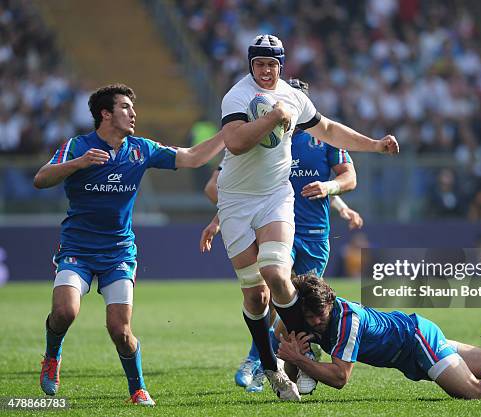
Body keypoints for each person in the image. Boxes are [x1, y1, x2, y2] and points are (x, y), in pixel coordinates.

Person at [215, 34, 398, 401]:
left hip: (275, 199)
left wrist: (374, 145)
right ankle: (269, 366)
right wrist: (273, 119)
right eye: (260, 64)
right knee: (255, 297)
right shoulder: (236, 97)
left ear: (281, 66)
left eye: (272, 65)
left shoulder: (294, 98)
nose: (266, 71)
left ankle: (300, 353)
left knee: (277, 275)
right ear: (251, 65)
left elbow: (330, 129)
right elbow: (234, 143)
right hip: (236, 201)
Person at [34, 83, 225, 406]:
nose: (133, 113)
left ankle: (137, 389)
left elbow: (192, 158)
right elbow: (41, 179)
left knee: (120, 330)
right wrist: (78, 164)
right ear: (105, 114)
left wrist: (229, 133)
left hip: (119, 252)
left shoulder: (141, 148)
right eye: (125, 107)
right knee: (65, 312)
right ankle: (52, 357)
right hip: (77, 249)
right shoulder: (78, 146)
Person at [201, 78, 363, 394]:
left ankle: (300, 364)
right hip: (278, 229)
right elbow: (245, 190)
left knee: (302, 306)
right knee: (275, 286)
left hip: (316, 235)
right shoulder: (265, 139)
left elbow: (347, 178)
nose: (286, 108)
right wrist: (220, 219)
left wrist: (333, 194)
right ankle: (260, 363)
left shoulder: (324, 140)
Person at [278, 274, 481, 399]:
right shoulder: (307, 316)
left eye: (322, 314)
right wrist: (292, 361)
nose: (319, 322)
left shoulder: (346, 322)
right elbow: (288, 345)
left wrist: (294, 359)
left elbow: (339, 378)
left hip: (417, 342)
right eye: (312, 317)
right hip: (414, 336)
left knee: (474, 391)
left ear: (331, 302)